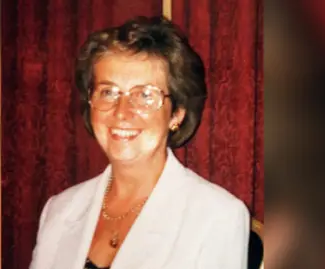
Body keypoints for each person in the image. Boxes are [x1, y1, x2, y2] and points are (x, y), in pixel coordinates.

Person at [29, 16, 249, 269]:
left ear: (176, 114)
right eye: (108, 92)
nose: (122, 112)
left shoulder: (217, 217)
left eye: (145, 95)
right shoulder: (59, 210)